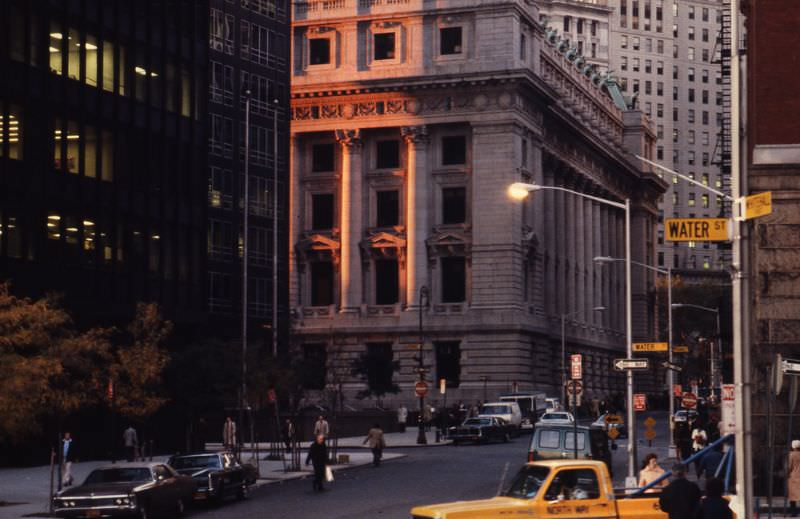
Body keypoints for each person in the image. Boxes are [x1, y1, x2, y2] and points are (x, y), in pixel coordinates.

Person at [788, 439, 800, 517]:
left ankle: (793, 513)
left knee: (792, 497)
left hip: (793, 477)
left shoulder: (791, 455)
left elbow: (789, 466)